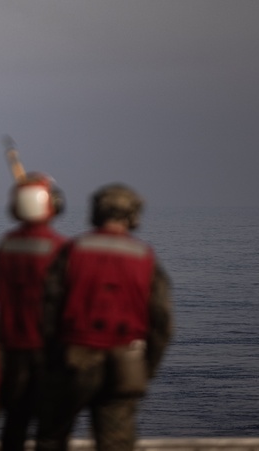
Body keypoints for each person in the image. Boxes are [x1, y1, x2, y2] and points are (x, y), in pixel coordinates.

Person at [36, 183, 173, 451]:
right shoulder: (145, 257)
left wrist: (52, 360)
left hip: (74, 361)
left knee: (52, 436)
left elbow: (48, 311)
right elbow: (162, 324)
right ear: (133, 216)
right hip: (126, 364)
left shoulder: (72, 251)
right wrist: (146, 368)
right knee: (116, 444)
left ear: (96, 213)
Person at [0, 173, 67, 451]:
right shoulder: (60, 248)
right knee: (52, 428)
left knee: (15, 422)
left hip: (12, 350)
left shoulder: (4, 247)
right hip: (49, 352)